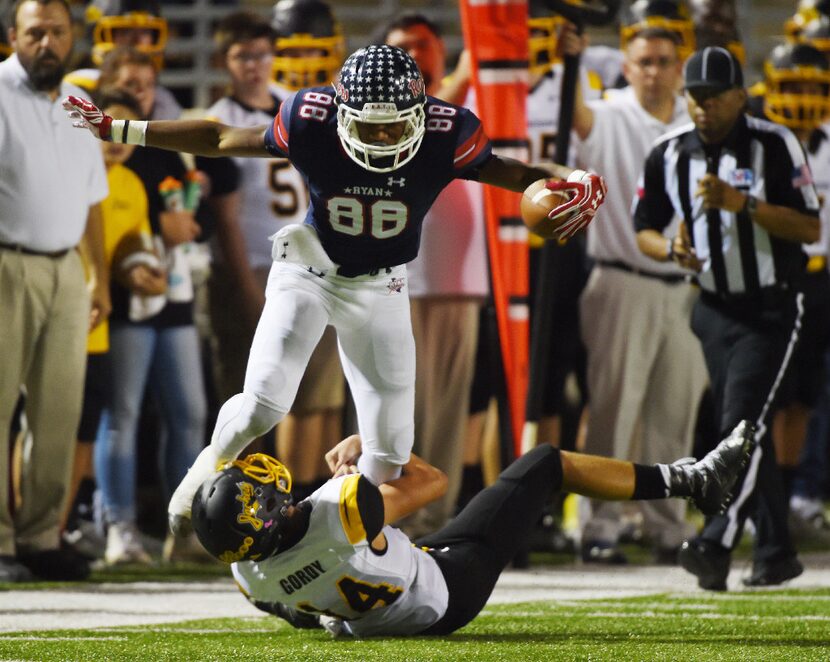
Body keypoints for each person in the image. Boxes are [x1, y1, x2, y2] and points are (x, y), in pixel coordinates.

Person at [63, 44, 607, 536]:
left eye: (395, 127)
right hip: (310, 270)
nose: (384, 138)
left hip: (384, 285)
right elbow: (221, 137)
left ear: (420, 114)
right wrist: (120, 128)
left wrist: (563, 179)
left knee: (390, 453)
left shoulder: (448, 132)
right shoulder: (310, 119)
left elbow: (509, 173)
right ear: (342, 114)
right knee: (264, 402)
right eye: (371, 128)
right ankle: (206, 467)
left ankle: (322, 531)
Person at [189, 421, 755, 637]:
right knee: (545, 464)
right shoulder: (341, 511)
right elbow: (433, 482)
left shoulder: (250, 575)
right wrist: (370, 450)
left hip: (387, 608)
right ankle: (693, 481)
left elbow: (301, 615)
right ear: (264, 514)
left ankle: (694, 480)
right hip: (447, 586)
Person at [635, 46, 821, 589]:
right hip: (711, 309)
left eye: (715, 97)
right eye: (695, 96)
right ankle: (776, 551)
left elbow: (811, 229)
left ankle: (716, 539)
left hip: (772, 305)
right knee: (744, 428)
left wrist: (747, 207)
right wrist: (671, 250)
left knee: (740, 424)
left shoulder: (775, 142)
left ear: (741, 95)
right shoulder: (668, 152)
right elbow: (644, 227)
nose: (703, 107)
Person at [570, 24, 708, 564]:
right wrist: (571, 60)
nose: (654, 71)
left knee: (674, 412)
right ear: (626, 68)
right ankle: (599, 526)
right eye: (644, 61)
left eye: (663, 61)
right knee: (613, 411)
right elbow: (576, 113)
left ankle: (667, 526)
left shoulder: (695, 117)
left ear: (680, 65)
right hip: (622, 276)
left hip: (689, 285)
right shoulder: (610, 113)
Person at [202, 6, 346, 501]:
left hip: (305, 267)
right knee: (250, 399)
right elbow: (225, 217)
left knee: (309, 397)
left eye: (262, 54)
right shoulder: (222, 119)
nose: (255, 65)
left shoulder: (293, 108)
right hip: (251, 269)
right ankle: (237, 505)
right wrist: (244, 286)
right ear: (226, 60)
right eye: (244, 55)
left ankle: (297, 502)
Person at [0, 0, 109, 582]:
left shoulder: (80, 102)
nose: (47, 42)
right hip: (5, 262)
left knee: (58, 412)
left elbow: (94, 199)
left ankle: (41, 538)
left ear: (72, 37)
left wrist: (100, 278)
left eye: (57, 32)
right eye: (35, 31)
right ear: (12, 36)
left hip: (68, 267)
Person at [373, 13, 489, 537]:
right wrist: (462, 76)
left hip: (460, 279)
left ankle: (435, 517)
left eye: (422, 47)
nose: (415, 57)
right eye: (402, 49)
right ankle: (389, 508)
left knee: (446, 408)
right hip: (398, 276)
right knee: (397, 401)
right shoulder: (381, 109)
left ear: (441, 52)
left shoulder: (472, 102)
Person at [62, 88, 166, 560]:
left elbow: (131, 247)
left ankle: (59, 525)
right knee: (43, 427)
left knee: (87, 425)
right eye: (108, 124)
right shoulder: (70, 172)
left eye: (124, 128)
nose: (114, 138)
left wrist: (141, 270)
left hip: (102, 320)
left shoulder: (130, 184)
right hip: (64, 311)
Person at [66, 0, 181, 119]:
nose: (137, 41)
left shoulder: (163, 103)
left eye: (145, 31)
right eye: (125, 31)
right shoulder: (78, 88)